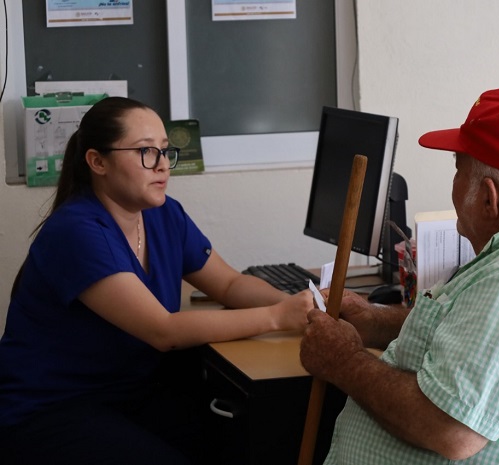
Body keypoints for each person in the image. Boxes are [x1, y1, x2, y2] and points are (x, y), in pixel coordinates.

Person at [300, 88, 499, 464]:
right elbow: (476, 331)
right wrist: (375, 323)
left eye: (459, 169)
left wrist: (343, 360)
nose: (454, 184)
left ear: (490, 199)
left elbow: (448, 429)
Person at [0, 96, 313, 465]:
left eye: (165, 151)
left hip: (129, 393)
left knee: (250, 437)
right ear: (98, 162)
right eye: (146, 152)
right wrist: (277, 318)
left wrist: (299, 305)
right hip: (52, 407)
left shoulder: (163, 215)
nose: (163, 166)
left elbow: (228, 285)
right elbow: (164, 331)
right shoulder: (78, 231)